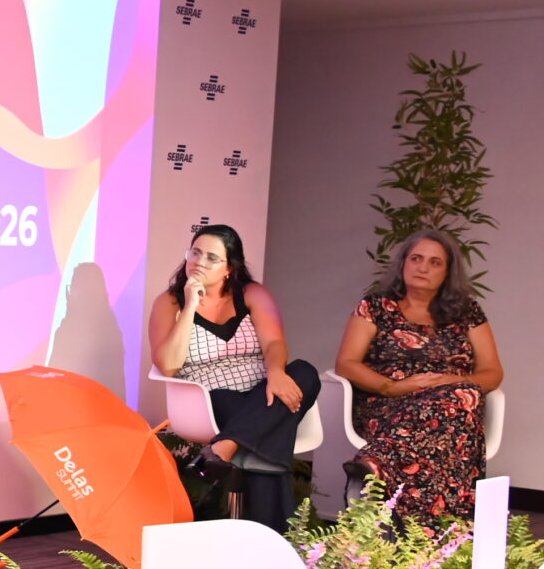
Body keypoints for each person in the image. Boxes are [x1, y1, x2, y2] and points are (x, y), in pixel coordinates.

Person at [146, 223, 322, 528]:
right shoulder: (170, 302)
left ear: (229, 268)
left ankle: (223, 448)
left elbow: (274, 342)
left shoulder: (251, 294)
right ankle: (277, 541)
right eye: (195, 253)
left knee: (304, 372)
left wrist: (276, 372)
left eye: (212, 257)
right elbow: (168, 366)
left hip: (264, 392)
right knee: (263, 432)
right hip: (210, 401)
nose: (199, 262)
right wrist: (190, 306)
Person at [336, 228, 503, 530]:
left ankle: (374, 466)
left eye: (434, 262)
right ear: (403, 263)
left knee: (460, 399)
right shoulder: (375, 307)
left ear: (447, 272)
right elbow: (346, 363)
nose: (423, 267)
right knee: (457, 414)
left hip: (452, 409)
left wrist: (452, 383)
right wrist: (392, 386)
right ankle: (440, 532)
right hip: (388, 405)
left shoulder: (467, 312)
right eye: (416, 258)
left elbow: (493, 372)